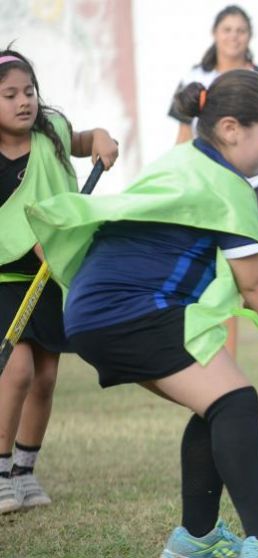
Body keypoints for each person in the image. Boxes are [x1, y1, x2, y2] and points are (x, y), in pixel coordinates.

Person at [28, 70, 258, 557]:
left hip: (95, 311)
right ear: (231, 128)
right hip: (127, 310)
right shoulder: (226, 184)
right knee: (236, 402)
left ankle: (195, 540)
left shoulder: (182, 160)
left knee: (217, 404)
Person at [0, 49, 118, 514]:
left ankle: (25, 472)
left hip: (55, 273)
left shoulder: (51, 133)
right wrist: (33, 238)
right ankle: (0, 470)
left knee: (46, 376)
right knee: (19, 370)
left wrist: (103, 140)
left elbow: (87, 140)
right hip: (7, 276)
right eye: (9, 95)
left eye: (28, 91)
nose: (23, 102)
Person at [171, 4, 258, 395]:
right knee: (222, 282)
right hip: (213, 192)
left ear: (249, 36)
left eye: (241, 30)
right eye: (227, 29)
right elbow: (183, 139)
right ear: (215, 34)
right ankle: (227, 371)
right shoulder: (196, 80)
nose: (234, 36)